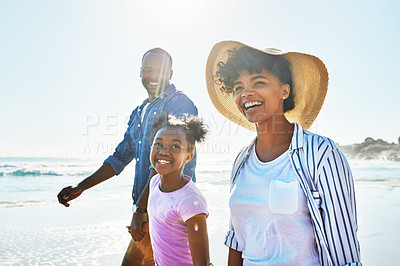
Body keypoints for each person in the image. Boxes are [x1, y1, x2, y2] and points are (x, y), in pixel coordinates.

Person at [205, 41, 361, 265]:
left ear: (284, 90)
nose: (246, 93)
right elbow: (237, 240)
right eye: (238, 87)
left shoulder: (321, 154)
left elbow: (344, 251)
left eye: (258, 82)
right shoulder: (241, 160)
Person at [57, 48, 198, 265]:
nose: (152, 76)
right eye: (147, 70)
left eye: (159, 71)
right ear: (140, 72)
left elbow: (165, 161)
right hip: (148, 209)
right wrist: (81, 187)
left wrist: (139, 209)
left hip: (169, 209)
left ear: (170, 74)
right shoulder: (139, 112)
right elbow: (119, 158)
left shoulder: (179, 104)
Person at [129, 114, 209, 265]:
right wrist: (145, 227)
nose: (164, 151)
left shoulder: (191, 201)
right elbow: (165, 219)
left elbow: (202, 263)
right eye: (158, 144)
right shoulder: (154, 183)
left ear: (188, 157)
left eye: (175, 146)